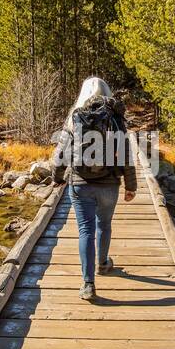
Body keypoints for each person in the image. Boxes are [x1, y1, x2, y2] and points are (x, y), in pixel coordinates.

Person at [51, 77, 137, 300]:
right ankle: (103, 263)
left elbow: (61, 154)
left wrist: (57, 177)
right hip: (109, 184)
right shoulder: (116, 117)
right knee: (104, 224)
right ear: (107, 92)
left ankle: (88, 284)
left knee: (85, 231)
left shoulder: (75, 117)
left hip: (81, 184)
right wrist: (131, 186)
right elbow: (126, 155)